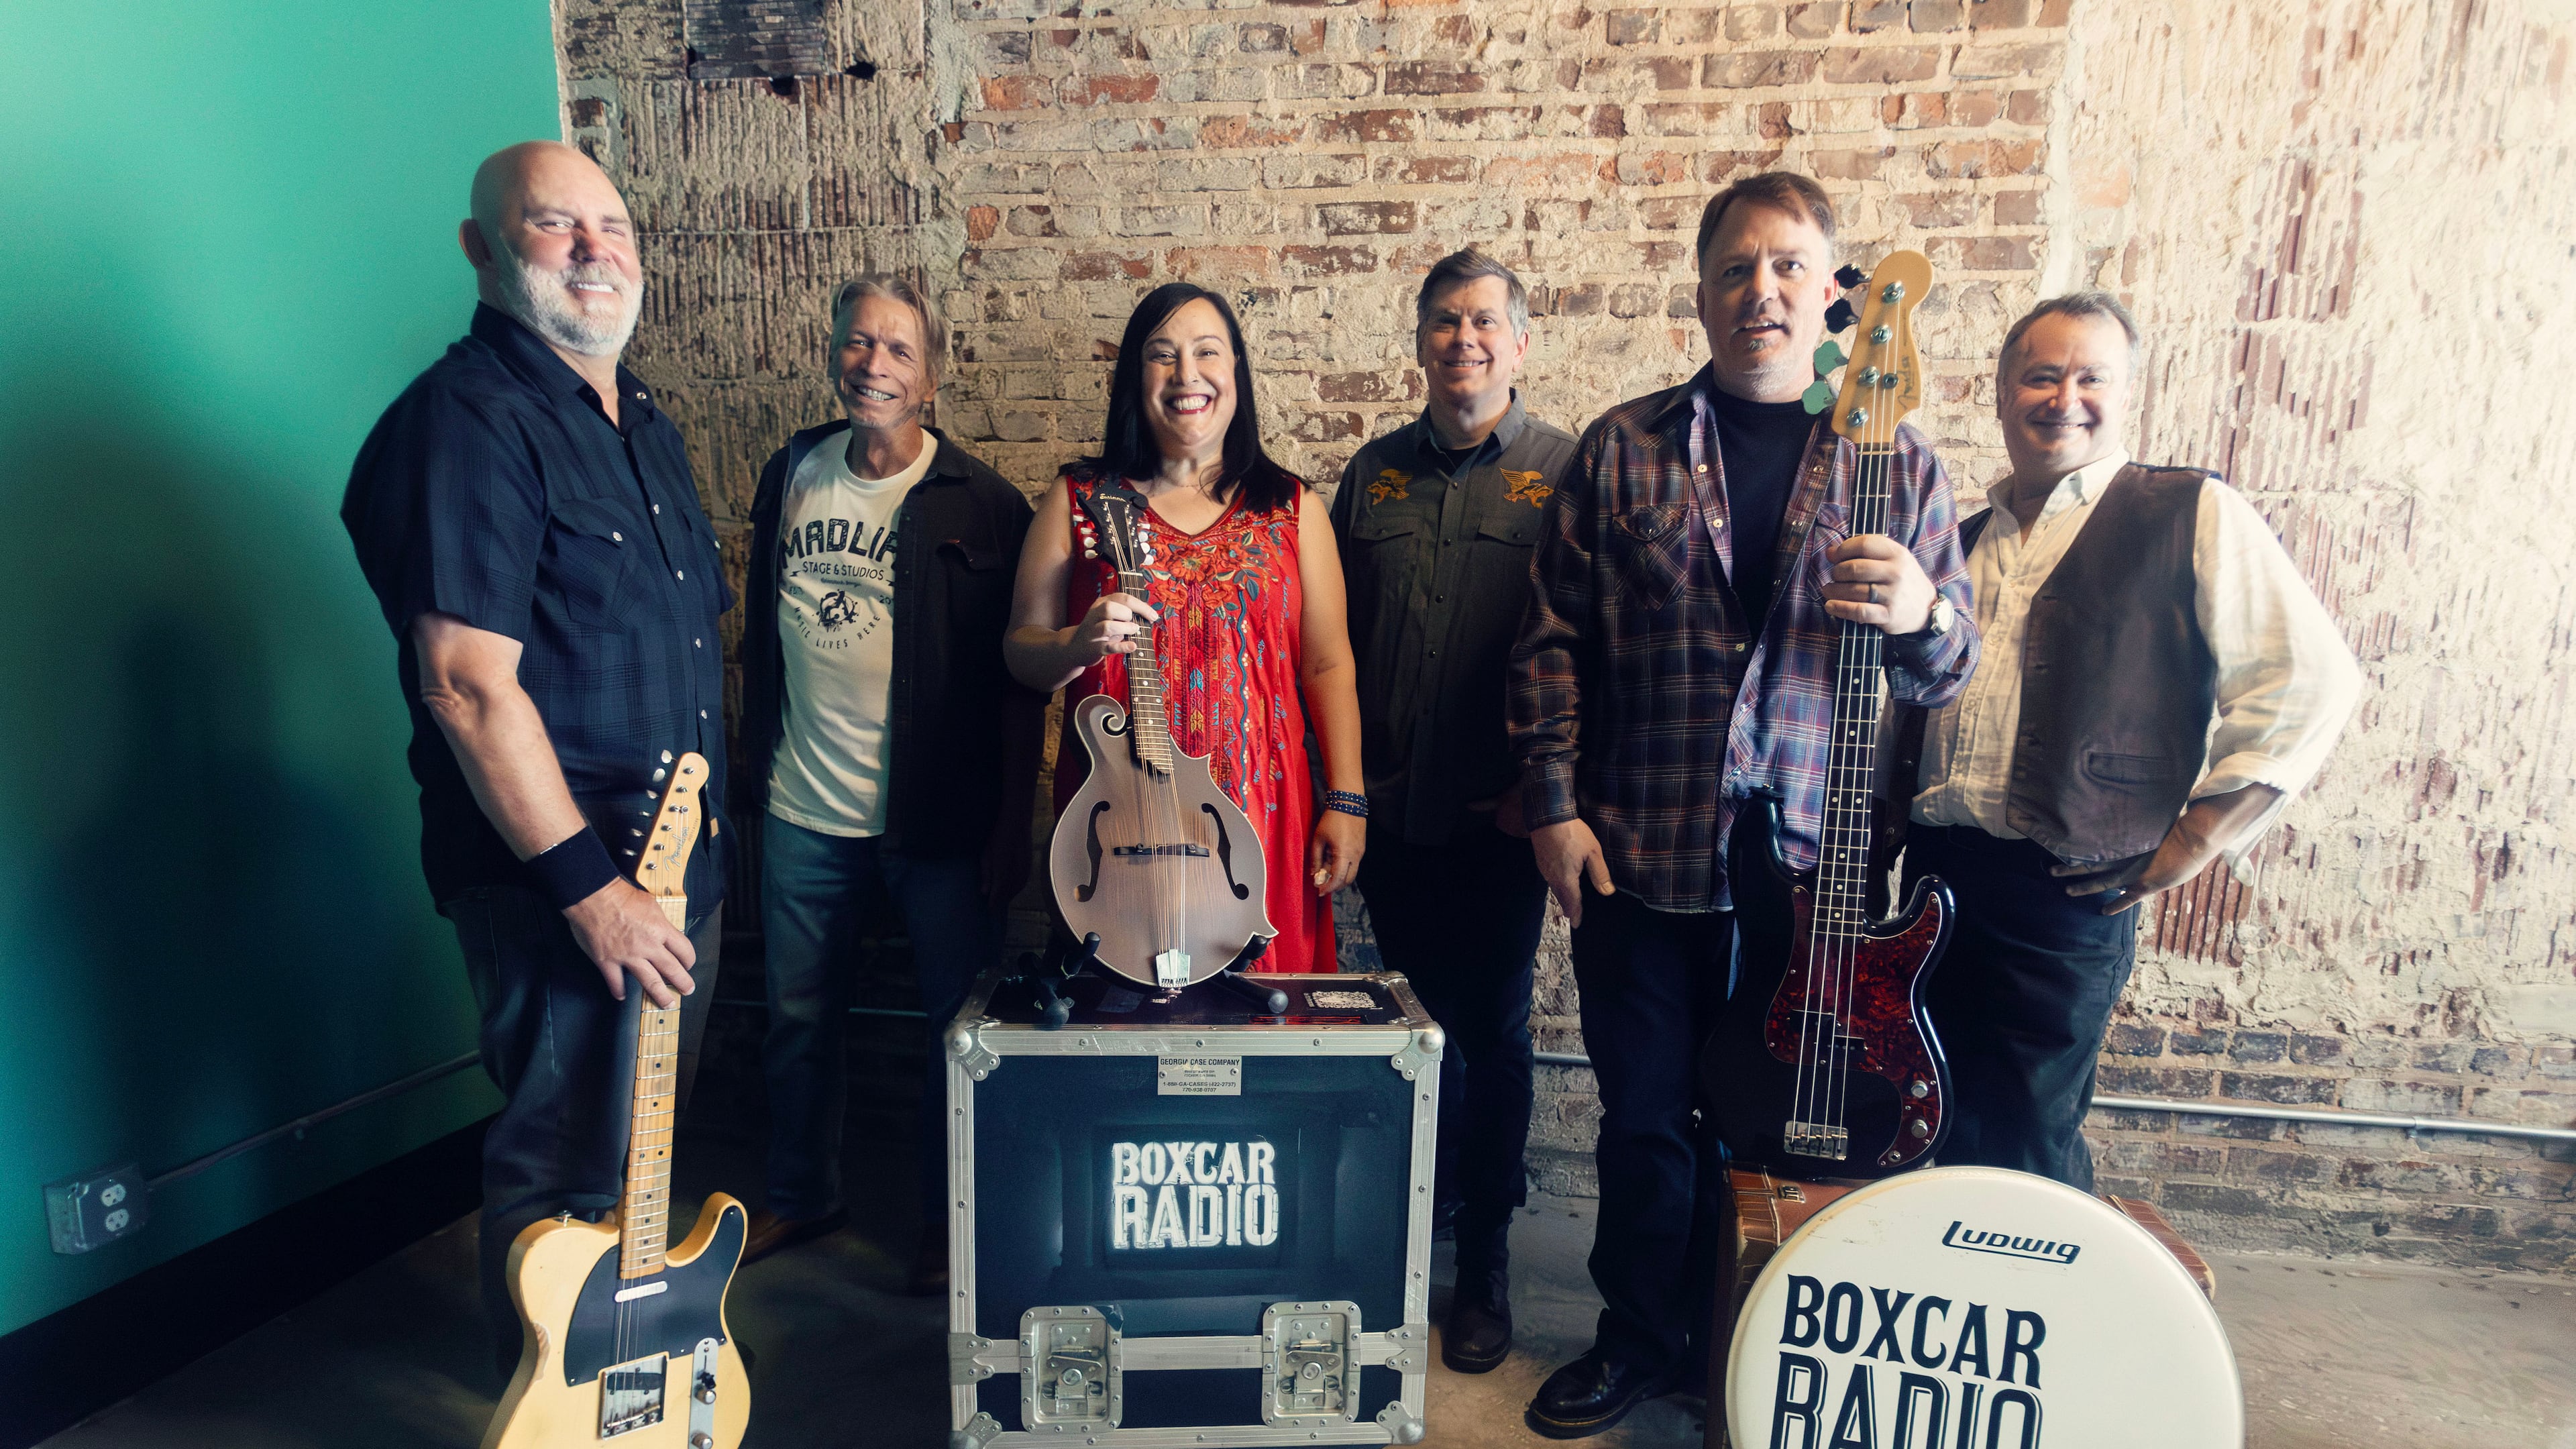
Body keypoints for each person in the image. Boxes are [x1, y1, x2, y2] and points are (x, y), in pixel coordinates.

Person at [1509, 172, 1980, 1438]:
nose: (1759, 291)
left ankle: (1754, 1345)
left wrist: (1926, 613)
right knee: (1649, 1117)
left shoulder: (1898, 462)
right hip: (1640, 854)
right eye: (1734, 268)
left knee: (1780, 1125)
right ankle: (1638, 1339)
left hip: (1816, 879)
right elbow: (1548, 640)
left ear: (1835, 291)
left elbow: (1952, 669)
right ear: (1702, 290)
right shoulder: (1626, 444)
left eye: (1787, 266)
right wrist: (1551, 805)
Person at [340, 141, 731, 1374]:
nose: (592, 250)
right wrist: (594, 896)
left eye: (610, 226)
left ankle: (631, 1382)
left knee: (633, 1164)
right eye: (554, 226)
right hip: (569, 894)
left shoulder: (639, 415)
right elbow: (464, 681)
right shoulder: (469, 422)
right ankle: (551, 1401)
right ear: (484, 249)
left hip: (674, 882)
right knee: (565, 1167)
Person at [1896, 292, 2361, 1187]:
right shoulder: (1960, 540)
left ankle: (2037, 1313)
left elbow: (2311, 677)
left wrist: (2200, 835)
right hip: (1936, 875)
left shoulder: (2187, 510)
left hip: (2065, 890)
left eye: (2090, 377)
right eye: (2040, 375)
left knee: (2027, 1135)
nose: (2064, 396)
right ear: (2000, 395)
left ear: (2126, 394)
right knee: (1927, 1119)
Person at [734, 275, 1045, 1284]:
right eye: (859, 344)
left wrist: (1011, 826)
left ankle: (942, 1224)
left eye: (899, 351)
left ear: (934, 378)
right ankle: (800, 1196)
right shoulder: (793, 471)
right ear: (835, 353)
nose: (874, 364)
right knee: (795, 1023)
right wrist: (750, 768)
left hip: (935, 825)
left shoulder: (986, 505)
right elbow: (758, 635)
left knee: (956, 1030)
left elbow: (1015, 683)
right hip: (802, 810)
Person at [1331, 250, 1574, 1374]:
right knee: (1406, 1038)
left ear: (1519, 344)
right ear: (1420, 341)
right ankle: (1405, 1234)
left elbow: (1596, 653)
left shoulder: (1566, 475)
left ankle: (1484, 1259)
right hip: (1388, 820)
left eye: (1484, 322)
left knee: (1492, 1040)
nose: (1462, 340)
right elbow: (1325, 651)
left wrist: (1550, 793)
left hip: (1500, 823)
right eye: (1443, 322)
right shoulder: (1371, 479)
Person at [1006, 282, 1365, 973]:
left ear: (1236, 372)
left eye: (1207, 352)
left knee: (1263, 1038)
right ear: (1133, 378)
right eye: (1161, 356)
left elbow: (1327, 665)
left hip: (1259, 825)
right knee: (1127, 1044)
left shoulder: (1290, 509)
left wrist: (1347, 800)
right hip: (1121, 827)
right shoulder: (1080, 498)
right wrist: (1075, 645)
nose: (1186, 375)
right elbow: (1021, 650)